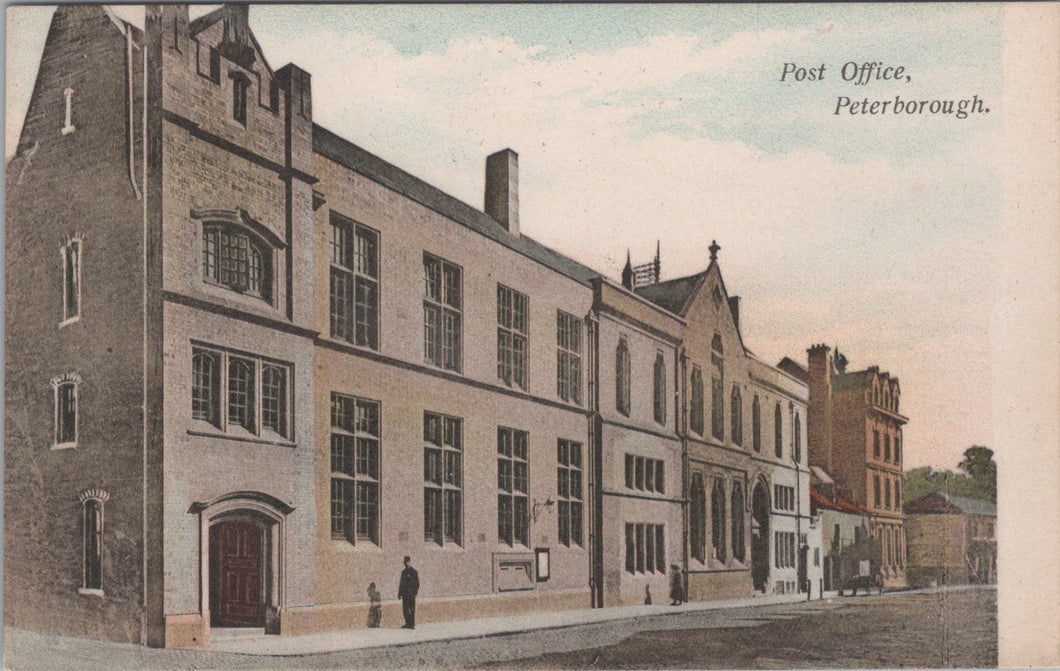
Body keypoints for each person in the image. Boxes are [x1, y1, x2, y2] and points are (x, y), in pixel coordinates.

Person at [397, 555, 419, 629]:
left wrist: (415, 593)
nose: (406, 564)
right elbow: (401, 583)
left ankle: (412, 624)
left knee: (412, 609)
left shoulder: (414, 572)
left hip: (411, 594)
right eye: (405, 562)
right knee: (405, 609)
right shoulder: (403, 572)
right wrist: (399, 593)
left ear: (410, 562)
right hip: (405, 594)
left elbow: (417, 584)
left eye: (407, 562)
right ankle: (407, 623)